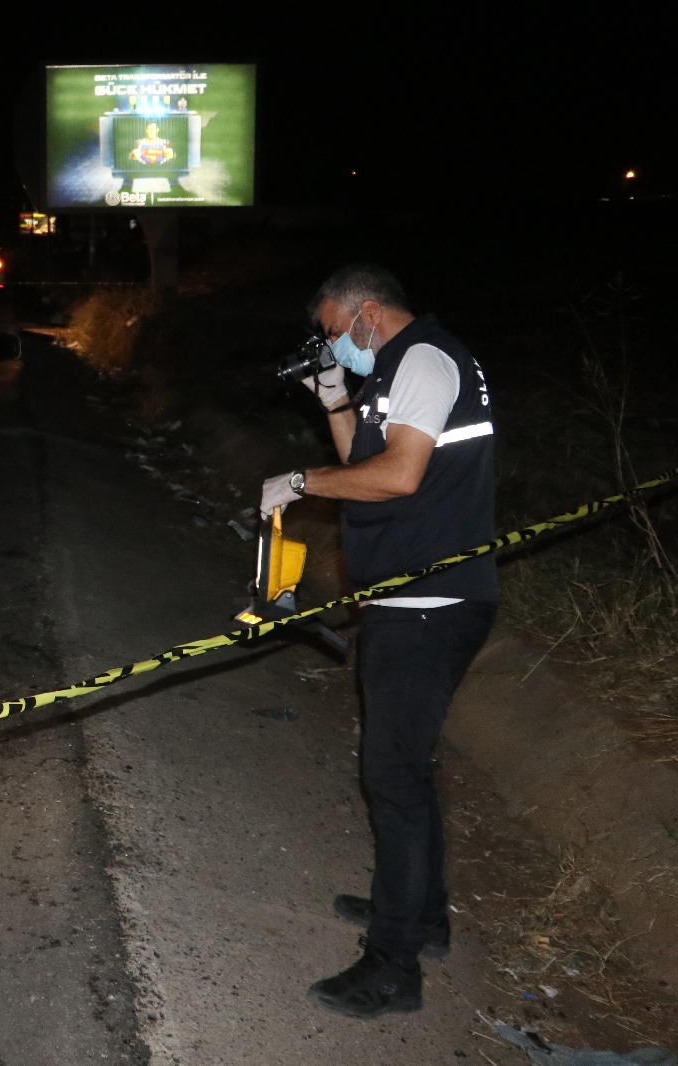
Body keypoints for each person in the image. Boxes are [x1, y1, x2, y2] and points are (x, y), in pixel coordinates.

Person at [261, 263, 497, 1019]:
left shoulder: (423, 359)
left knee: (392, 780)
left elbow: (396, 478)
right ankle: (421, 917)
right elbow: (366, 460)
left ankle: (393, 967)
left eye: (335, 333)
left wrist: (300, 482)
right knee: (406, 771)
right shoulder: (398, 370)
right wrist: (335, 399)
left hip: (429, 602)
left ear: (366, 315)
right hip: (411, 597)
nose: (335, 345)